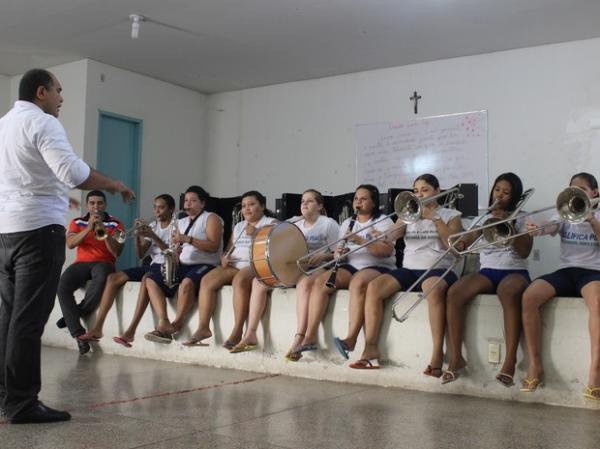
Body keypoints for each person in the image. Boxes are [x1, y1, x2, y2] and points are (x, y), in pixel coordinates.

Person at [0, 68, 134, 424]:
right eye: (59, 91)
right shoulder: (43, 123)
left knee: (8, 316)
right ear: (41, 92)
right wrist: (113, 183)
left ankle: (5, 394)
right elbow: (73, 173)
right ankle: (22, 403)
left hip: (5, 232)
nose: (62, 98)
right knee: (28, 321)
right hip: (37, 232)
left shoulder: (3, 125)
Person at [347, 175, 462, 370]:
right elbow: (392, 234)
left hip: (438, 269)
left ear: (437, 191)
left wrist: (435, 218)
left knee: (432, 289)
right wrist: (379, 236)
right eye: (416, 190)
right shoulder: (409, 213)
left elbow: (455, 245)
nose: (419, 194)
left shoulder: (452, 215)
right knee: (374, 287)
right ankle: (371, 349)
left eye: (424, 190)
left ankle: (436, 355)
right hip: (409, 269)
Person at [444, 173, 532, 385]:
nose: (500, 194)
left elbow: (524, 252)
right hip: (488, 272)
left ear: (514, 196)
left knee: (508, 291)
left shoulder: (523, 216)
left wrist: (508, 223)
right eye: (497, 189)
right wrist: (462, 244)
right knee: (454, 293)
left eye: (506, 192)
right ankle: (456, 358)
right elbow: (469, 239)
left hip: (515, 271)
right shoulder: (482, 217)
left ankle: (510, 361)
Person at [228, 189, 339, 356]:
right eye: (302, 201)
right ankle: (250, 333)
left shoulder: (328, 224)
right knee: (258, 282)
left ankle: (300, 336)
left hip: (319, 268)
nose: (304, 204)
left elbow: (339, 254)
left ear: (320, 205)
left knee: (303, 283)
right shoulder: (295, 224)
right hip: (296, 268)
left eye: (309, 201)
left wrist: (323, 255)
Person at [521, 172, 600, 400]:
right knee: (529, 297)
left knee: (596, 301)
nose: (578, 194)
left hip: (594, 272)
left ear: (594, 192)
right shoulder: (566, 212)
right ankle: (535, 365)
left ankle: (595, 375)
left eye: (583, 190)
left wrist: (592, 220)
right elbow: (549, 227)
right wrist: (537, 229)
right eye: (573, 190)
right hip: (567, 271)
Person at [294, 184, 396, 358]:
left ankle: (351, 338)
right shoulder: (348, 223)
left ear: (373, 203)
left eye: (363, 199)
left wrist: (358, 239)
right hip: (351, 265)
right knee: (321, 282)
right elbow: (340, 254)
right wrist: (340, 253)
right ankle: (310, 336)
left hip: (378, 266)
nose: (358, 202)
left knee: (358, 281)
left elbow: (384, 252)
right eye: (356, 199)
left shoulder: (384, 221)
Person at [78, 194, 176, 347]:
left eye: (161, 207)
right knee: (113, 278)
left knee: (146, 279)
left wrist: (153, 236)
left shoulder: (176, 225)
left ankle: (130, 331)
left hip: (169, 266)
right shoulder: (153, 225)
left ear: (171, 209)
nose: (157, 211)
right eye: (155, 207)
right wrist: (138, 237)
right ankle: (98, 328)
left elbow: (172, 252)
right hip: (152, 265)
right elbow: (140, 254)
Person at [183, 191, 276, 348]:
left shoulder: (271, 222)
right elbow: (228, 249)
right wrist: (225, 257)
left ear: (262, 206)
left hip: (255, 263)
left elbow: (278, 247)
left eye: (252, 205)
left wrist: (258, 234)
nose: (247, 209)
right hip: (235, 264)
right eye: (244, 206)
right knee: (207, 280)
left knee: (240, 281)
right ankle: (203, 328)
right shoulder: (239, 225)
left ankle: (238, 330)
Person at [144, 186, 223, 344]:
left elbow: (214, 246)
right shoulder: (180, 221)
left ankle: (176, 324)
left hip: (205, 264)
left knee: (187, 283)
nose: (188, 204)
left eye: (193, 201)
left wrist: (188, 239)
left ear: (202, 203)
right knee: (150, 280)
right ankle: (163, 321)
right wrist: (175, 253)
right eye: (186, 200)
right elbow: (177, 248)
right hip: (182, 264)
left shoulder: (211, 218)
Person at [56, 190, 125, 354]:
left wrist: (103, 231)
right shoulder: (76, 222)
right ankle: (79, 334)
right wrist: (88, 229)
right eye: (92, 203)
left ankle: (73, 315)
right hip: (81, 263)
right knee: (62, 286)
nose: (96, 207)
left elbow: (116, 252)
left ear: (105, 205)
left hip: (104, 263)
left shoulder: (117, 224)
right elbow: (71, 244)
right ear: (87, 205)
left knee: (101, 279)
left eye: (100, 203)